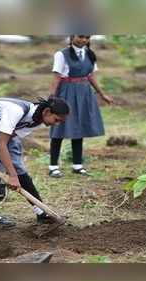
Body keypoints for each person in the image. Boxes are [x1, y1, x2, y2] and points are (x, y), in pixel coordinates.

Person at [0, 96, 69, 226]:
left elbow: (8, 137)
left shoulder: (35, 120)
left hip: (1, 132)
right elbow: (1, 144)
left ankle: (40, 210)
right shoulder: (16, 111)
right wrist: (11, 175)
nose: (56, 124)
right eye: (56, 120)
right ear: (47, 112)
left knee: (17, 167)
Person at [48, 35, 113, 178]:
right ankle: (53, 166)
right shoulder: (61, 55)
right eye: (80, 36)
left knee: (79, 128)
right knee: (59, 129)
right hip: (66, 92)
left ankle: (77, 165)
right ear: (72, 36)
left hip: (84, 93)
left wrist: (102, 94)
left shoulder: (89, 54)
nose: (83, 40)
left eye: (87, 37)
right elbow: (57, 77)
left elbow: (91, 76)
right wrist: (51, 99)